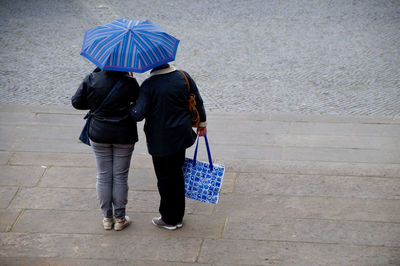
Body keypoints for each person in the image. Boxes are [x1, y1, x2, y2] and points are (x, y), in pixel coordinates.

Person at [130, 63, 207, 230]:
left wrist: (131, 100)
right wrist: (202, 122)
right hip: (181, 136)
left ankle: (169, 218)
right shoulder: (183, 76)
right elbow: (197, 99)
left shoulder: (149, 85)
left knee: (165, 178)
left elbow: (137, 114)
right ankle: (177, 215)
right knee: (177, 174)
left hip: (160, 140)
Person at [72, 67, 139, 231]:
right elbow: (139, 105)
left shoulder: (91, 79)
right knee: (120, 177)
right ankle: (120, 218)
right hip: (124, 134)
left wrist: (95, 105)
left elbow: (76, 102)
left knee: (103, 175)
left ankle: (107, 218)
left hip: (99, 133)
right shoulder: (129, 82)